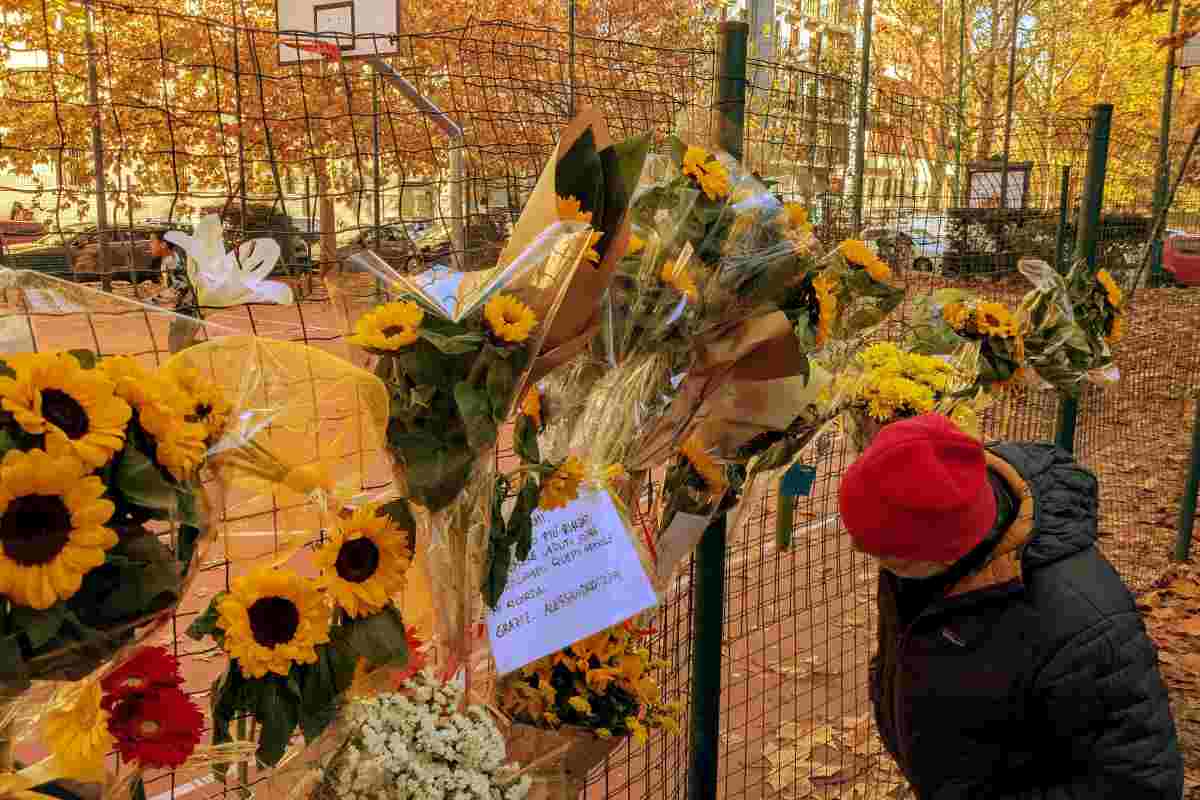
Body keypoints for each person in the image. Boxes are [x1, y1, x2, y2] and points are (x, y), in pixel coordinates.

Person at [839, 413, 1183, 799]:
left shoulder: (1085, 627)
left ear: (949, 550)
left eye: (890, 555)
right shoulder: (931, 542)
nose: (869, 556)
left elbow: (1140, 783)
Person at [149, 229, 202, 353]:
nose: (149, 245)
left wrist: (153, 301)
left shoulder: (171, 261)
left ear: (163, 244)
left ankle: (220, 349)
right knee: (181, 350)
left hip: (188, 312)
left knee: (177, 350)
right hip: (184, 311)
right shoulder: (168, 260)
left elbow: (181, 286)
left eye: (152, 241)